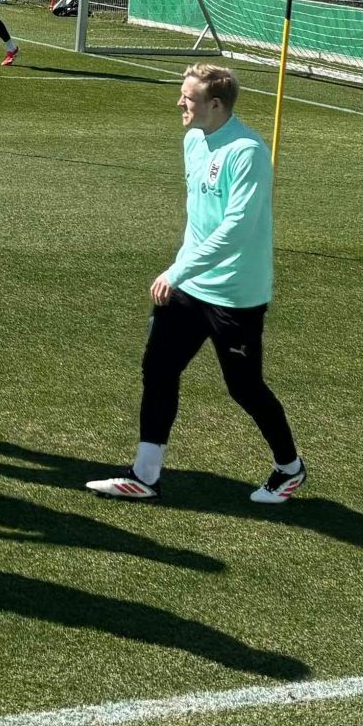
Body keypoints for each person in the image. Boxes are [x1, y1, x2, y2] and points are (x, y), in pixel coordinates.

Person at [87, 63, 306, 505]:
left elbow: (235, 229)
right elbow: (198, 219)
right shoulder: (192, 140)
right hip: (188, 286)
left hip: (234, 294)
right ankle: (145, 476)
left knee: (244, 387)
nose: (180, 103)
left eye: (188, 97)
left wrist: (178, 271)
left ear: (216, 105)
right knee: (159, 369)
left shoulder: (247, 152)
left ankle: (290, 468)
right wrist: (181, 268)